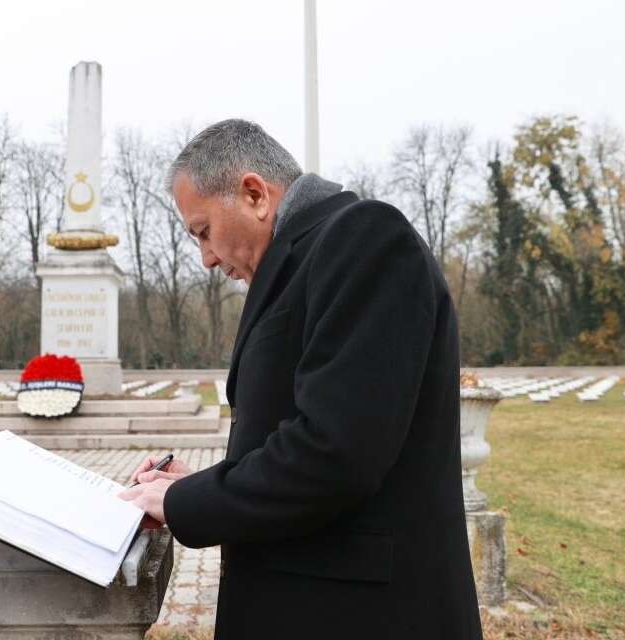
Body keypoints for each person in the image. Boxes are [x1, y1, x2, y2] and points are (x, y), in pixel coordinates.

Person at [117, 119, 482, 639]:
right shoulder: (306, 259)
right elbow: (299, 432)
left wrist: (182, 503)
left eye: (203, 232)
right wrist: (192, 486)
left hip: (360, 616)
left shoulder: (365, 239)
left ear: (253, 194)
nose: (206, 258)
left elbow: (336, 452)